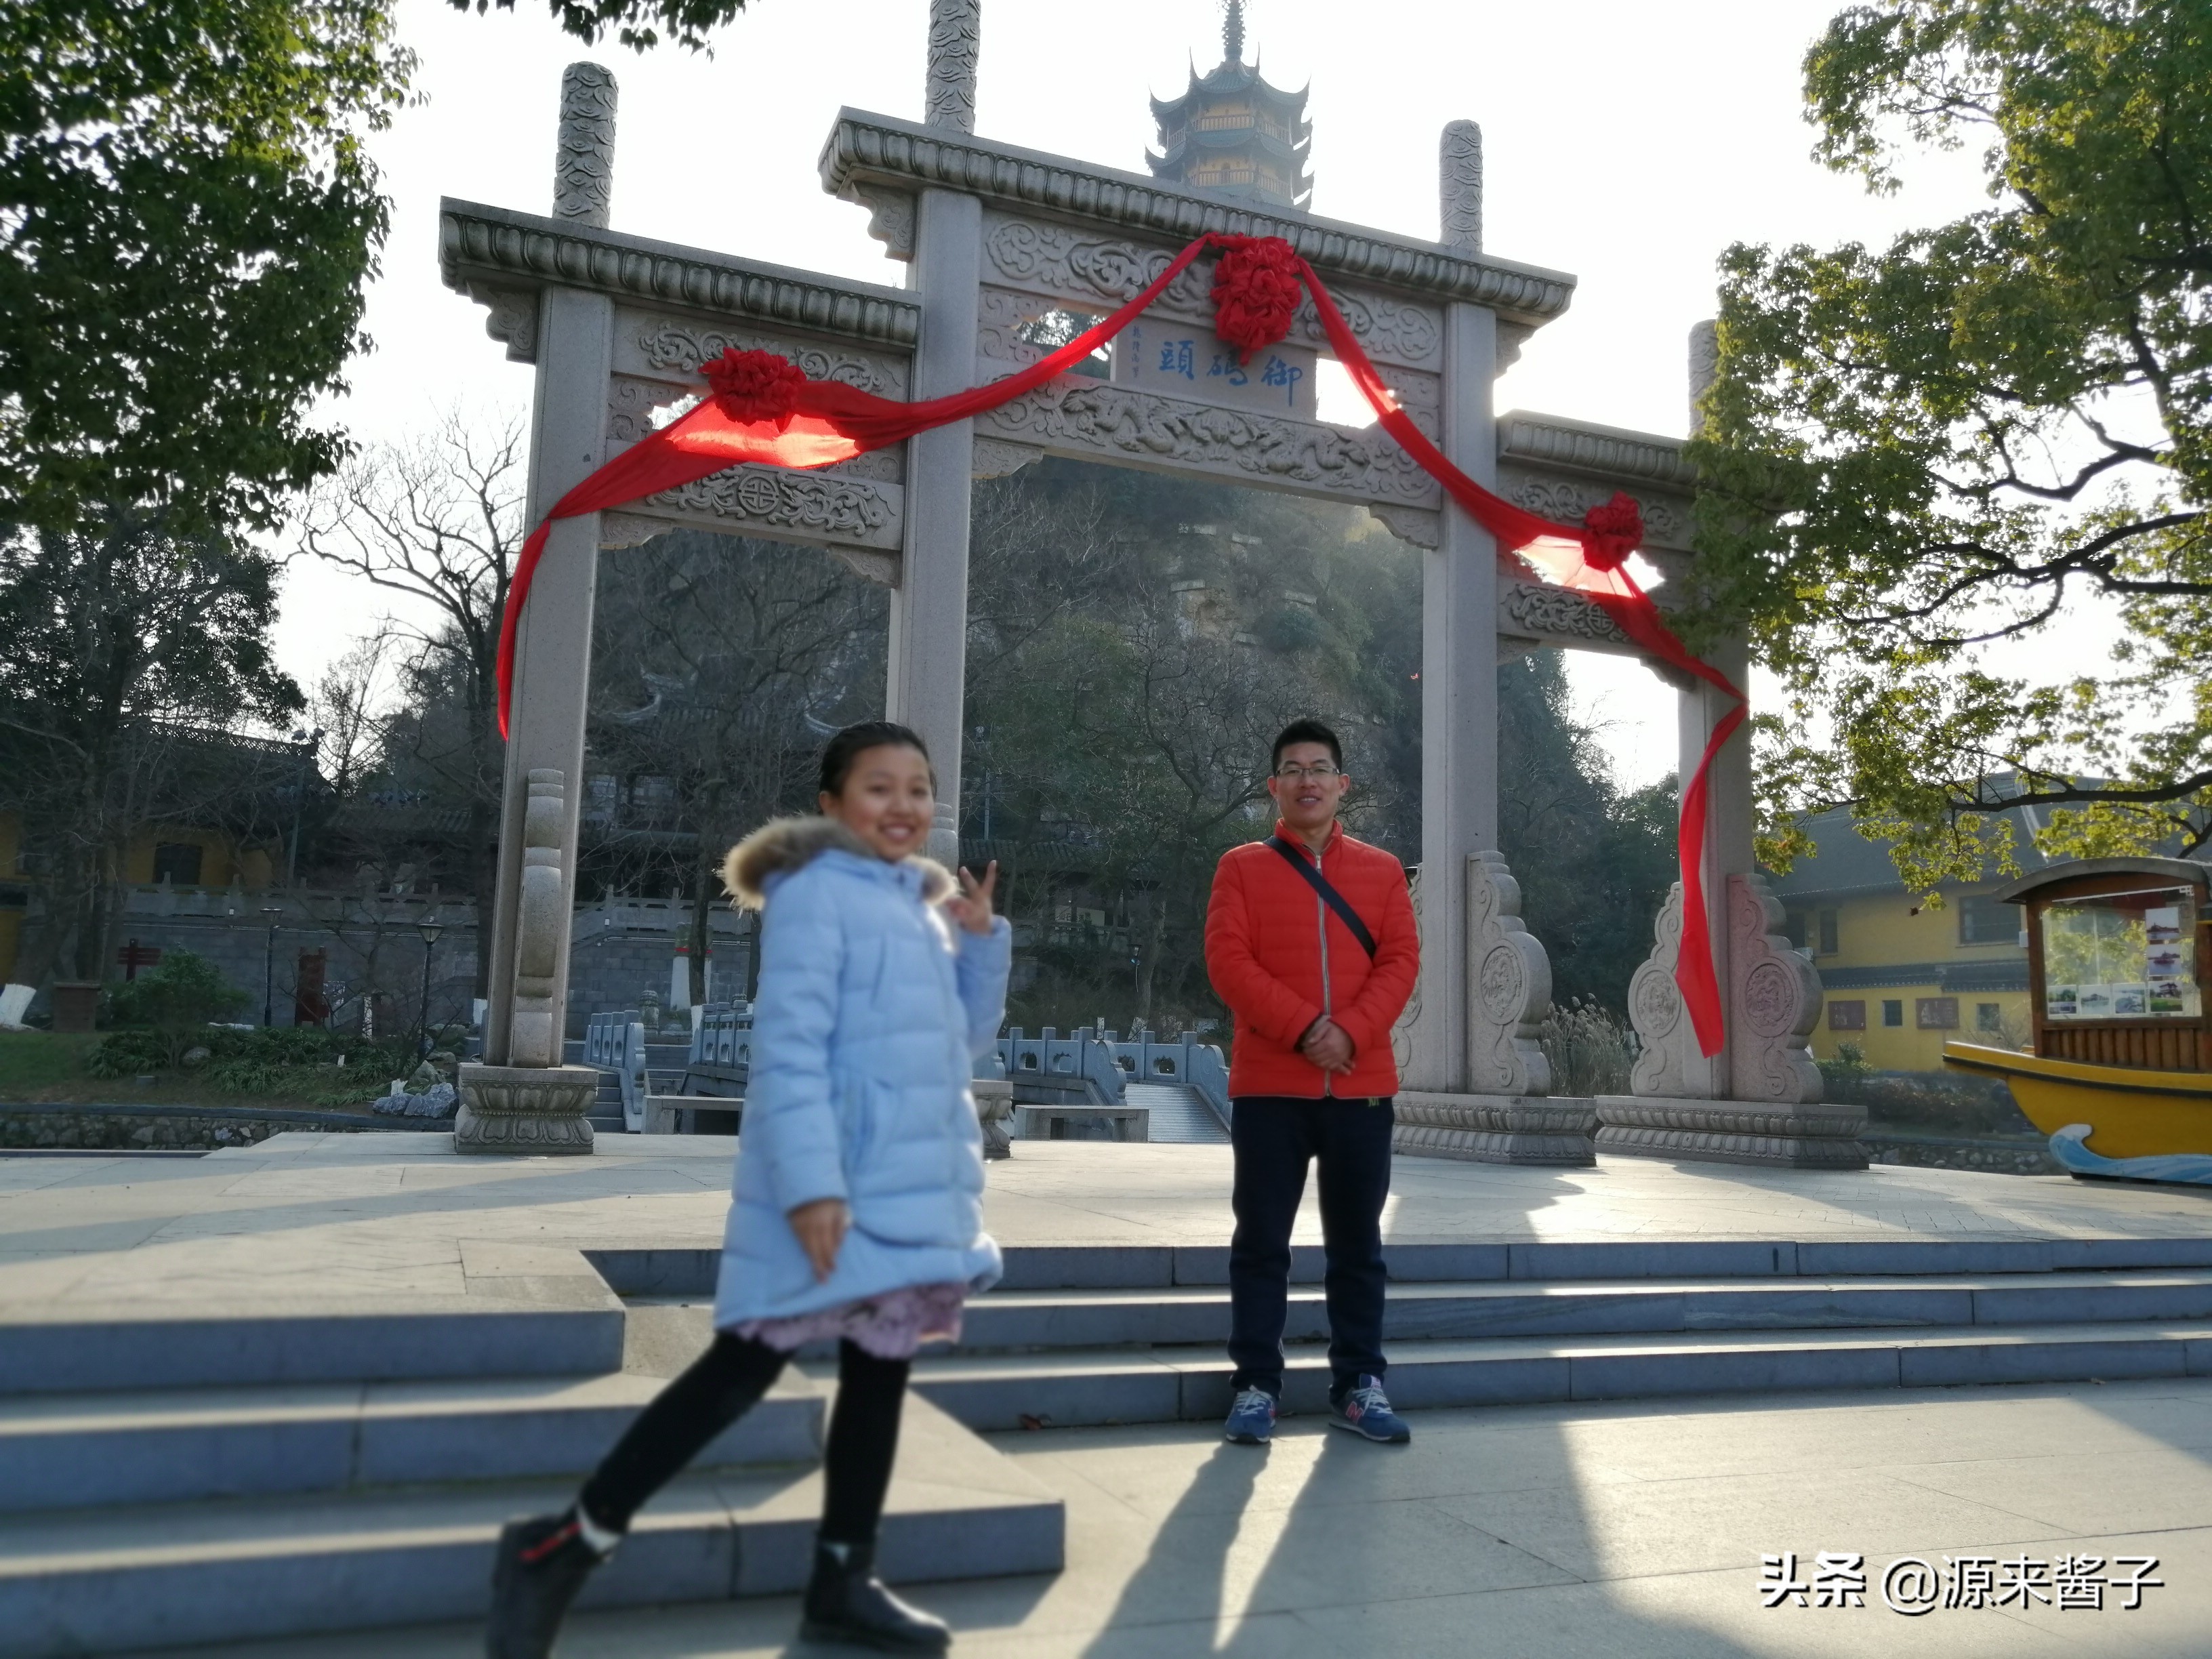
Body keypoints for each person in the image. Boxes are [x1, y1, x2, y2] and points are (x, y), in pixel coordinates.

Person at [487, 720, 1008, 1658]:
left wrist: (980, 945)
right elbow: (790, 1048)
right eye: (879, 788)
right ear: (832, 805)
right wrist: (811, 1189)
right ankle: (560, 1546)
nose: (904, 807)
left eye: (918, 788)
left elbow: (958, 1048)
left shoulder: (921, 909)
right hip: (832, 1186)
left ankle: (842, 1580)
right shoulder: (816, 896)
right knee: (741, 1368)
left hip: (904, 1187)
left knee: (879, 1377)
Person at [1203, 718, 1419, 1447]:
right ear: (1273, 786)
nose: (1307, 780)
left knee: (1358, 1245)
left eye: (1319, 768)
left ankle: (1360, 1384)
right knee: (1261, 1242)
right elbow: (1229, 963)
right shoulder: (1241, 867)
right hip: (1270, 1087)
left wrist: (1350, 1032)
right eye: (1292, 769)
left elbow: (1400, 963)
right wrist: (1305, 1029)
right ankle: (1255, 1385)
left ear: (1341, 785)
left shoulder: (1384, 872)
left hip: (1361, 1086)